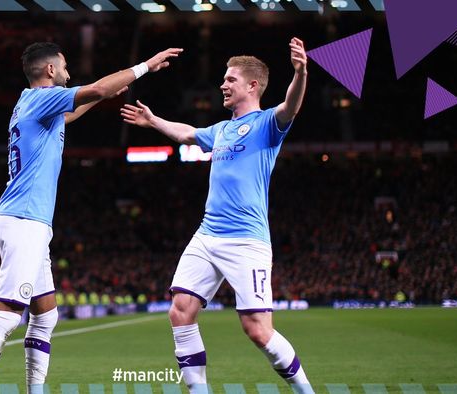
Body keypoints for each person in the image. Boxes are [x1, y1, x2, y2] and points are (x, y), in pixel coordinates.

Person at [0, 42, 182, 394]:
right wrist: (145, 66)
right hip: (24, 220)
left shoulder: (30, 104)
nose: (68, 72)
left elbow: (74, 111)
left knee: (46, 315)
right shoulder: (41, 97)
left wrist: (101, 97)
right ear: (49, 70)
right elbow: (94, 88)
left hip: (27, 219)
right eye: (64, 66)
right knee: (6, 315)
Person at [120, 38, 313, 394]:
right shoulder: (221, 130)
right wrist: (153, 121)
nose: (223, 85)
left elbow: (291, 105)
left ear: (252, 85)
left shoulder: (268, 123)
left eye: (231, 80)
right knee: (180, 311)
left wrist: (300, 71)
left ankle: (306, 391)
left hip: (246, 239)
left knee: (257, 330)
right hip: (207, 235)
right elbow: (187, 134)